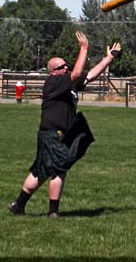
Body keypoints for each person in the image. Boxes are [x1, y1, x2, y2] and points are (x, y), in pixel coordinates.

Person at [8, 31, 121, 218]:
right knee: (60, 169)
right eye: (63, 66)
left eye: (66, 65)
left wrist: (108, 58)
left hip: (57, 133)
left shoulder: (68, 83)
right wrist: (84, 49)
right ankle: (53, 212)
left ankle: (18, 205)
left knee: (41, 171)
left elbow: (90, 75)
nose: (67, 67)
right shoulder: (53, 82)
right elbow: (77, 72)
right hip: (52, 133)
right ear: (53, 71)